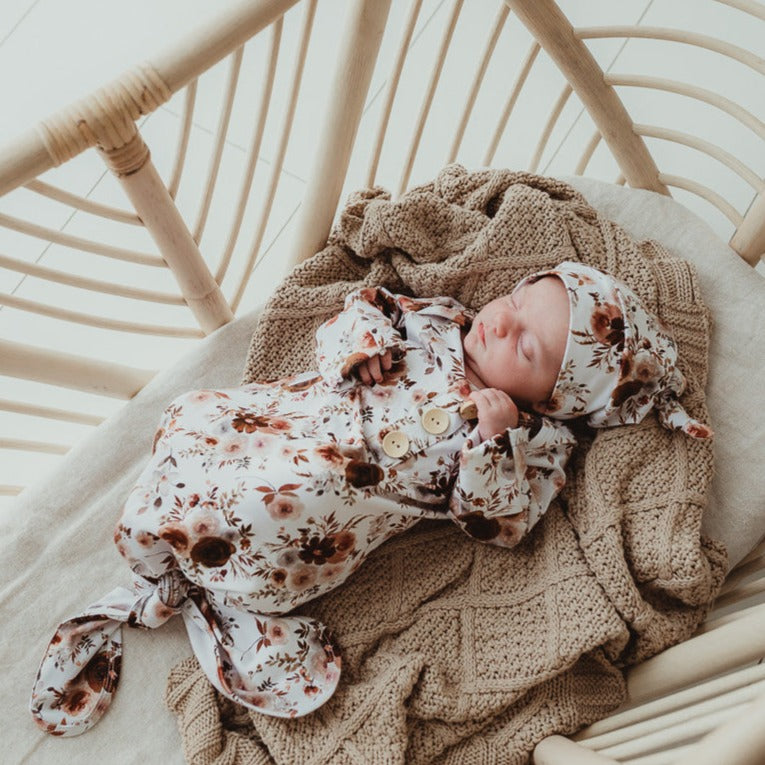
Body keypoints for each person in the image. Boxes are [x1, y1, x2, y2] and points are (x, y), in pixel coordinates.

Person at [30, 261, 712, 735]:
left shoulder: (536, 439)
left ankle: (205, 574)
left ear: (552, 399)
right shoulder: (438, 318)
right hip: (282, 423)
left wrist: (489, 438)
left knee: (287, 501)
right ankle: (175, 517)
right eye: (512, 302)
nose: (501, 323)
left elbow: (499, 523)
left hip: (328, 510)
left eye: (526, 346)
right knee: (197, 416)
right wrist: (361, 347)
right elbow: (357, 311)